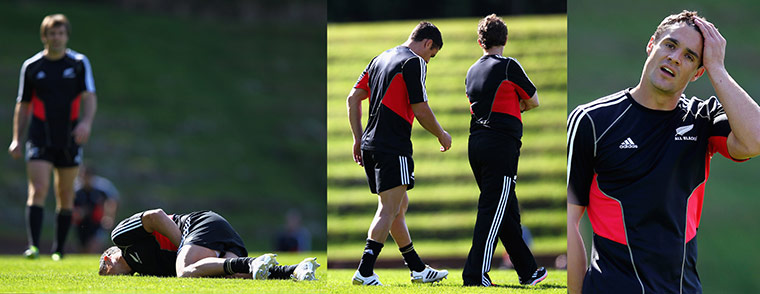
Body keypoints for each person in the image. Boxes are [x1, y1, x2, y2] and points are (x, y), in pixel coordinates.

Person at [567, 11, 760, 293]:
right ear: (651, 45)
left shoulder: (702, 118)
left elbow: (754, 141)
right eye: (670, 45)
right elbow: (571, 220)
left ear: (697, 73)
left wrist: (718, 68)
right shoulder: (591, 120)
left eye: (690, 56)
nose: (674, 58)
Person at [346, 21, 452, 286]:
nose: (430, 60)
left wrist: (358, 139)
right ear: (428, 43)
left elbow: (353, 98)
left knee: (398, 207)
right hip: (393, 146)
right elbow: (420, 108)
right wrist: (442, 134)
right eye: (432, 54)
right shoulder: (414, 62)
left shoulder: (379, 58)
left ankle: (417, 269)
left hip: (371, 144)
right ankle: (365, 271)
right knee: (388, 208)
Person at [461, 14, 547, 287]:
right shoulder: (509, 65)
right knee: (493, 209)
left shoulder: (471, 70)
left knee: (506, 211)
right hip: (501, 145)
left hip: (476, 143)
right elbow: (533, 100)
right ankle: (475, 274)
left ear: (480, 42)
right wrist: (518, 106)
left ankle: (528, 270)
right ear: (505, 40)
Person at [8, 14, 98, 261]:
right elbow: (23, 104)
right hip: (39, 138)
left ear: (66, 36)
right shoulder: (32, 66)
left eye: (60, 33)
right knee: (37, 188)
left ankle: (58, 249)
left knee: (65, 193)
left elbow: (89, 96)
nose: (56, 38)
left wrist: (86, 124)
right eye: (52, 33)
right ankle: (34, 246)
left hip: (69, 139)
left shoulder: (79, 63)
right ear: (44, 36)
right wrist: (17, 138)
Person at [98, 208, 320, 281]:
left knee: (184, 271)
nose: (117, 279)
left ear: (108, 260)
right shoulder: (146, 270)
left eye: (109, 275)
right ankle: (296, 270)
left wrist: (183, 248)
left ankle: (252, 262)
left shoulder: (121, 238)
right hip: (213, 237)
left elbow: (156, 216)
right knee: (235, 274)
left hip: (200, 224)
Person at [72, 165, 119, 253]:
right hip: (81, 225)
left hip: (97, 224)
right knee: (82, 250)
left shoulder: (102, 188)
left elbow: (112, 201)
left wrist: (109, 217)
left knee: (93, 247)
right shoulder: (76, 190)